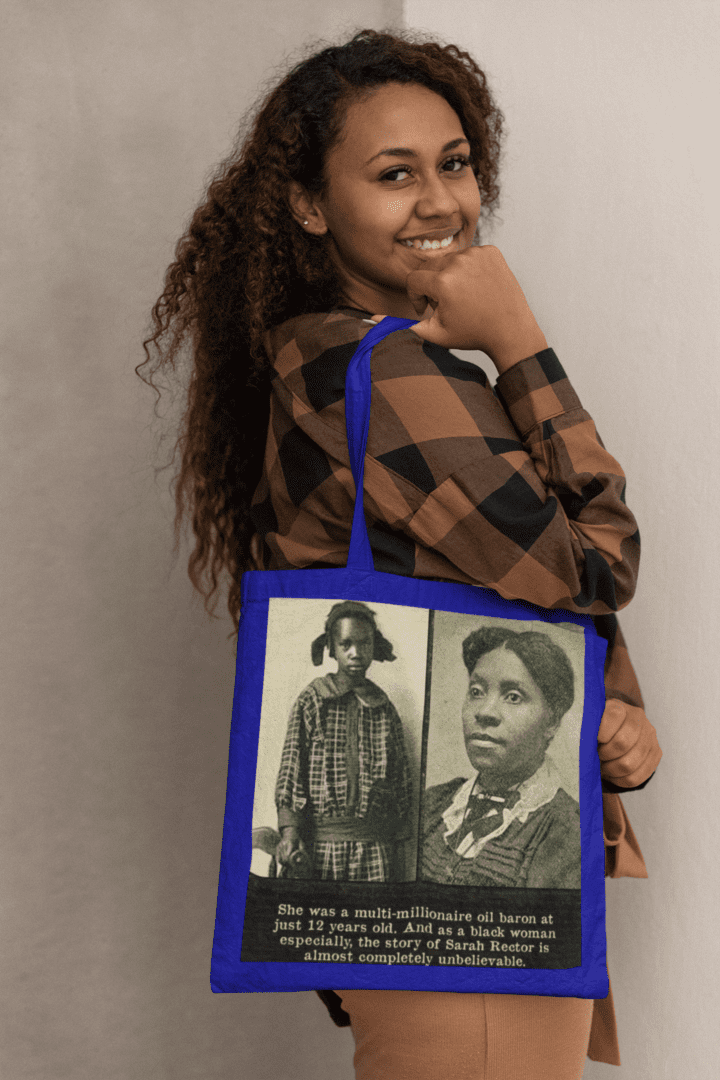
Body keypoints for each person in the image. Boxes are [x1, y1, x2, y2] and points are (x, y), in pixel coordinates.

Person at [140, 27, 662, 1080]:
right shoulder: (386, 374)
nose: (441, 201)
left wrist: (600, 707)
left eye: (456, 163)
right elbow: (593, 564)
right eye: (393, 174)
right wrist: (519, 341)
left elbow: (499, 592)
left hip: (421, 895)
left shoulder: (320, 358)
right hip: (467, 912)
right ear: (306, 204)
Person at [421, 625, 580, 889]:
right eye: (476, 692)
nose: (484, 712)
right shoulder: (433, 804)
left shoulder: (568, 832)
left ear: (552, 721)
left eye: (513, 697)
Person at [274, 601, 411, 881]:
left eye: (364, 643)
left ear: (375, 646)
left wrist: (398, 846)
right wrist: (290, 832)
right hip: (322, 849)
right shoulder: (311, 700)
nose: (355, 653)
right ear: (331, 648)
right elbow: (291, 769)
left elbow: (402, 782)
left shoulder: (384, 708)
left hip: (375, 851)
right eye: (346, 644)